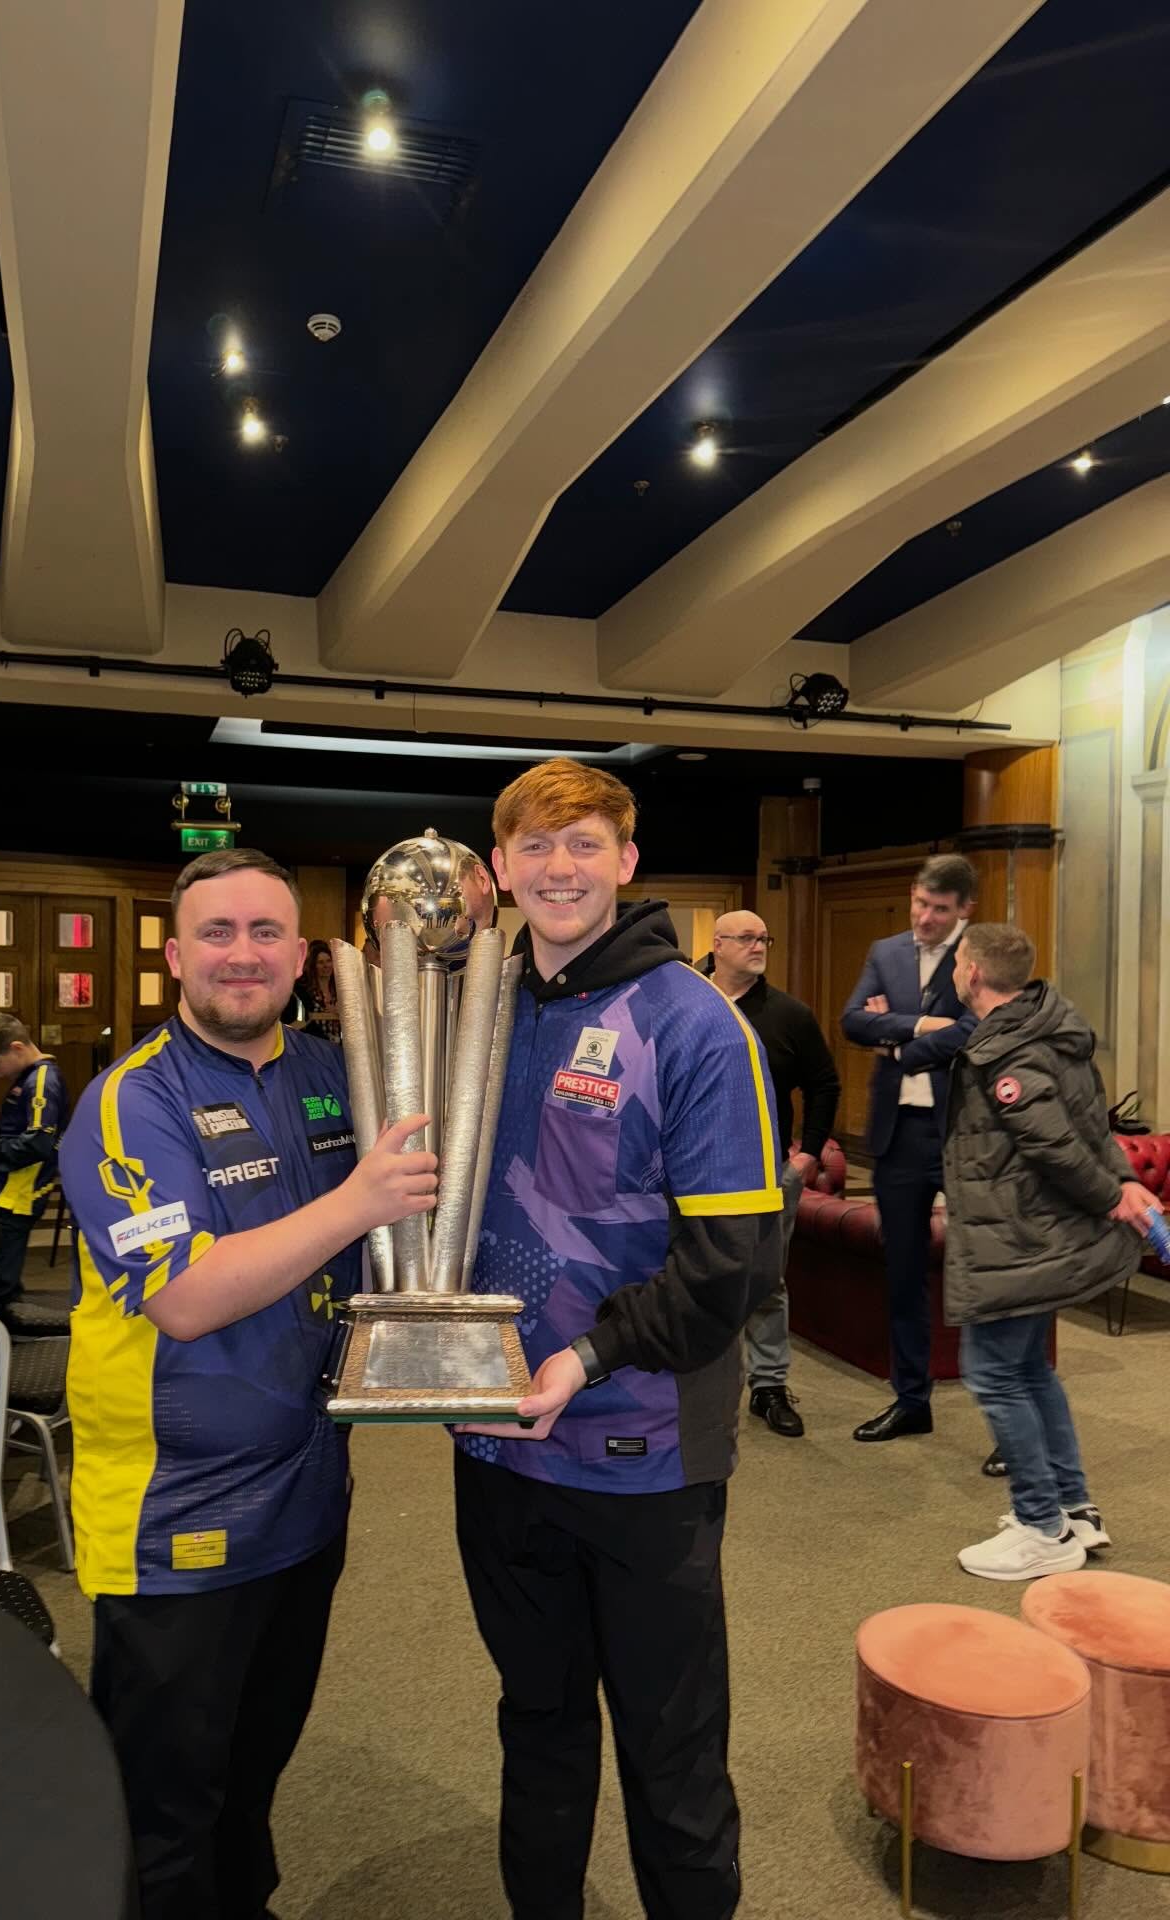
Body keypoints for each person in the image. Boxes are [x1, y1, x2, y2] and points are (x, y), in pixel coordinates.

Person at [58, 848, 437, 1920]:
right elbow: (183, 1295)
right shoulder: (133, 1100)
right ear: (175, 956)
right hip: (175, 1516)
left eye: (266, 932)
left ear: (302, 955)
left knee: (254, 1765)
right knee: (164, 1802)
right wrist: (359, 1201)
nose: (242, 954)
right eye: (216, 933)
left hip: (306, 1498)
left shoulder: (333, 1073)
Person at [454, 759, 785, 1920]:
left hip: (643, 1456)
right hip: (498, 1444)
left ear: (628, 862)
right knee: (537, 1727)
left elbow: (733, 1267)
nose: (560, 868)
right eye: (536, 847)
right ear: (501, 868)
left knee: (671, 1754)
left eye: (585, 843)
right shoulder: (478, 1014)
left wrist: (587, 1358)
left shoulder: (693, 1024)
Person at [917, 922, 1165, 1579]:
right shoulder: (1048, 1028)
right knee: (1030, 1372)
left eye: (958, 962)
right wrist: (1123, 1181)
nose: (954, 972)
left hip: (1018, 1239)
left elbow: (1053, 1142)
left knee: (995, 1376)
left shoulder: (1008, 1051)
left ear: (973, 973)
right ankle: (1073, 1509)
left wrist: (1110, 1195)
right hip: (1033, 1236)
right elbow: (1092, 1125)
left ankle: (1041, 1526)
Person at [841, 854, 977, 1443]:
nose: (923, 917)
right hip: (898, 1137)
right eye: (920, 903)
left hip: (966, 1135)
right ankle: (911, 1400)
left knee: (983, 1274)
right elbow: (852, 1021)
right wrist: (923, 1026)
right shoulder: (886, 951)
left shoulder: (983, 953)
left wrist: (895, 1036)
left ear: (964, 910)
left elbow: (980, 1030)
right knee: (902, 1273)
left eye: (939, 909)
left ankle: (1008, 1420)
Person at [701, 910, 839, 1437]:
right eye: (746, 938)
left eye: (764, 938)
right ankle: (691, 1379)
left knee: (764, 1281)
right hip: (690, 1170)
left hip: (766, 1172)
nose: (758, 946)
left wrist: (809, 1155)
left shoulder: (789, 1015)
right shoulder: (688, 999)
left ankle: (769, 1386)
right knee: (689, 1273)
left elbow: (824, 1084)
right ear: (718, 945)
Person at [0, 1013, 68, 1320]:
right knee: (0, 1263)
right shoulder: (28, 1077)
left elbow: (37, 1143)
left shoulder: (42, 1081)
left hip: (19, 1192)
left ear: (17, 1048)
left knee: (0, 1272)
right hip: (9, 1188)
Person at [292, 938, 340, 1043]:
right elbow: (300, 1021)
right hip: (314, 1044)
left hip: (339, 1045)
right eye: (320, 962)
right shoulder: (304, 991)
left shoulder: (339, 990)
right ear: (314, 966)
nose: (326, 966)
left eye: (328, 961)